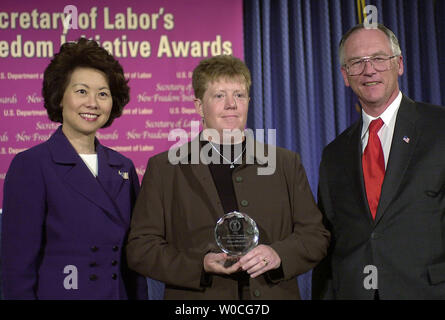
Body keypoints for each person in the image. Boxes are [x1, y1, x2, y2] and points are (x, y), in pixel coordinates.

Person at [126, 55, 330, 300]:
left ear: (248, 102)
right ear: (199, 106)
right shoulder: (165, 168)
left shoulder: (285, 163)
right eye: (219, 95)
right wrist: (199, 264)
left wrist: (279, 254)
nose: (231, 104)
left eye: (239, 95)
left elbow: (316, 236)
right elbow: (141, 249)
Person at [1, 38, 147, 299]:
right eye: (81, 91)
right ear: (59, 97)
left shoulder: (122, 167)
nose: (93, 103)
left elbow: (132, 264)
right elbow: (17, 269)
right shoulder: (31, 166)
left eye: (102, 94)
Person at [312, 23, 445, 299]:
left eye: (378, 59)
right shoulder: (333, 154)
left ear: (399, 64)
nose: (369, 69)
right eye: (357, 62)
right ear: (345, 75)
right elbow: (329, 244)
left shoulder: (439, 127)